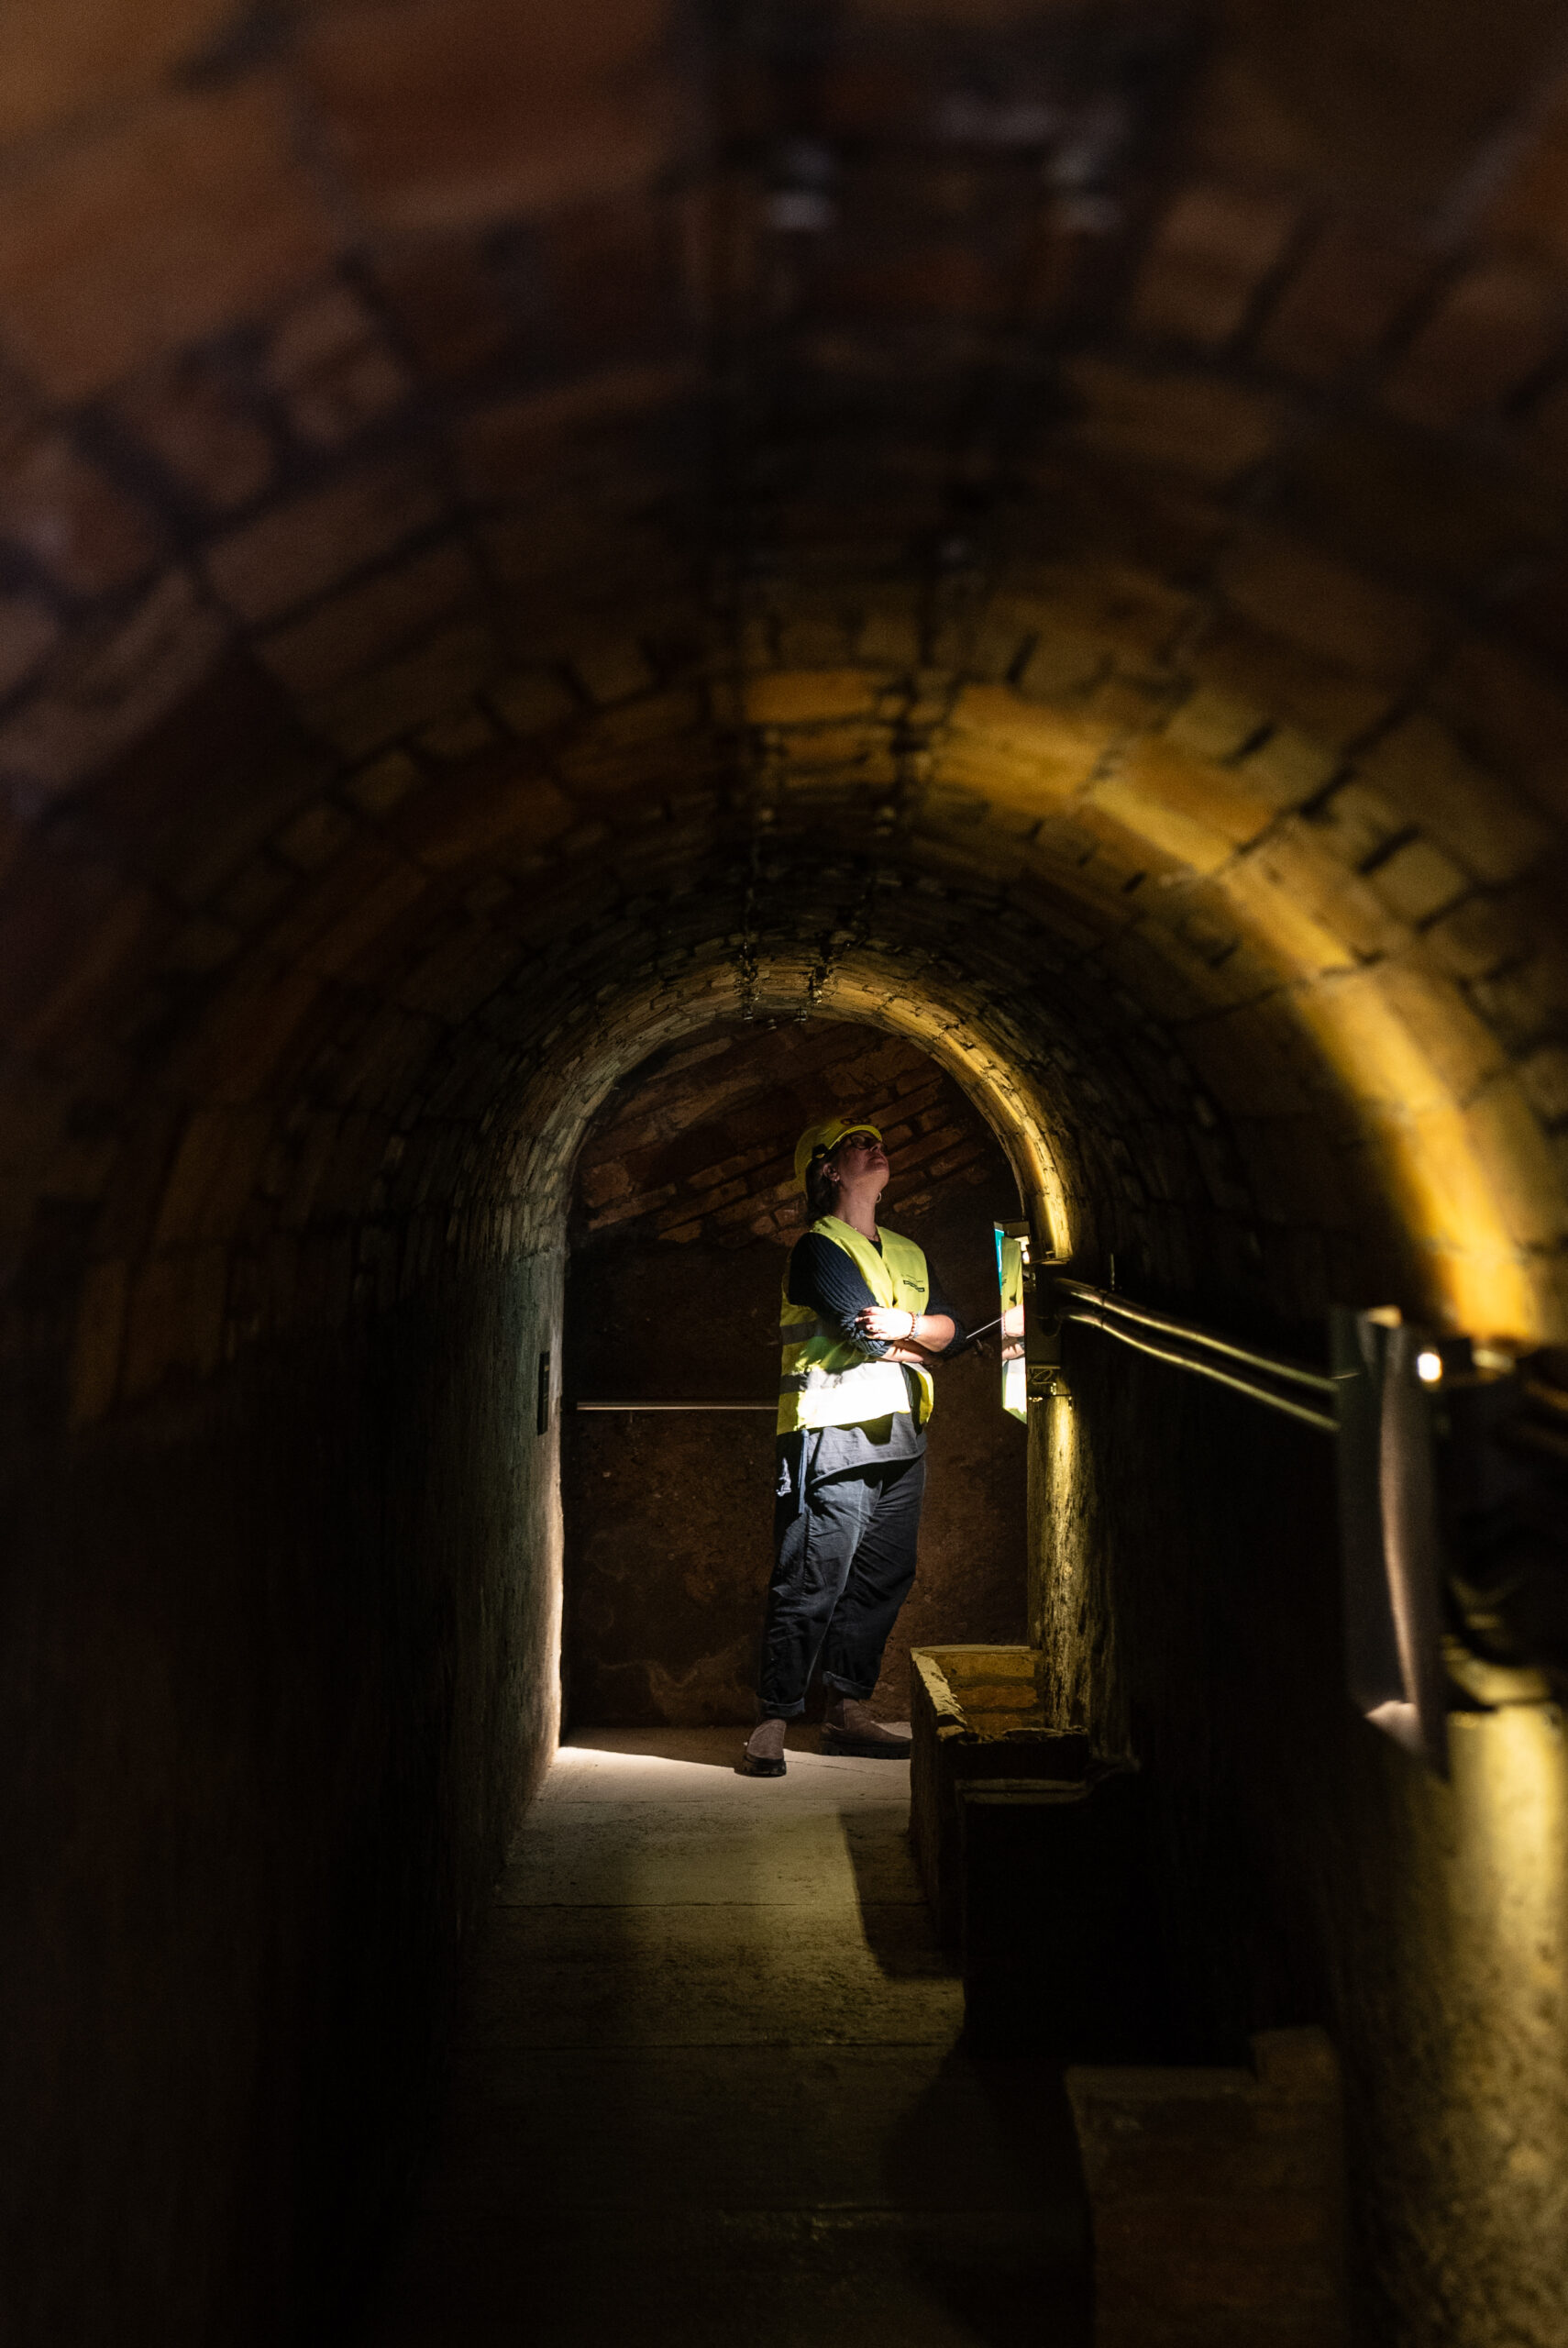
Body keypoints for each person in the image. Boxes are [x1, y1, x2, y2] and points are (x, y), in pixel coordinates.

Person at [741, 1117, 965, 1778]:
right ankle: (773, 1720)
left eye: (877, 1139)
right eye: (856, 1144)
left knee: (882, 1578)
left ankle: (847, 1710)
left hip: (902, 1439)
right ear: (828, 1170)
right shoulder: (818, 1248)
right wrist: (921, 1344)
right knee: (810, 1576)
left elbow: (956, 1334)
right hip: (831, 1433)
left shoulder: (908, 1252)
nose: (875, 1147)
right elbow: (865, 1336)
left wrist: (913, 1327)